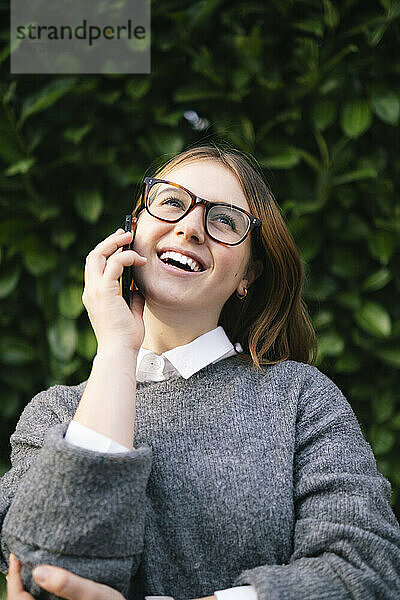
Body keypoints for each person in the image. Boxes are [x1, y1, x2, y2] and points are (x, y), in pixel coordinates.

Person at [1, 143, 400, 600]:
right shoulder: (55, 416)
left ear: (248, 272)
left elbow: (368, 568)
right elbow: (48, 575)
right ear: (133, 230)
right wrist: (114, 353)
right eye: (171, 202)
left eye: (224, 220)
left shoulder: (301, 398)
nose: (190, 227)